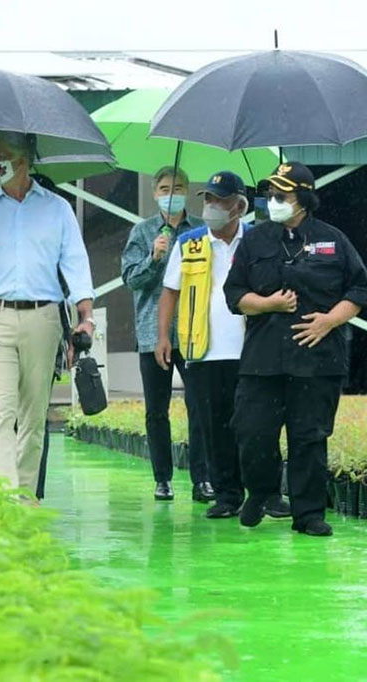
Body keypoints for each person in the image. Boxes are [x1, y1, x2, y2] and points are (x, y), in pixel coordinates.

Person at [0, 130, 95, 497]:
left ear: (24, 159)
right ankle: (5, 501)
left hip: (42, 319)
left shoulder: (57, 208)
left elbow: (76, 264)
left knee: (33, 416)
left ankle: (26, 496)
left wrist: (86, 316)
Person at [224, 162, 367, 536]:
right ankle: (261, 492)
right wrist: (267, 303)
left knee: (309, 438)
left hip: (318, 360)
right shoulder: (255, 240)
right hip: (263, 359)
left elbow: (359, 289)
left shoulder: (333, 239)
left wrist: (329, 321)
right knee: (252, 432)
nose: (273, 200)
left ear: (303, 198)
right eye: (271, 194)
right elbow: (234, 293)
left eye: (282, 195)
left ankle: (308, 514)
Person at [157, 171, 290, 520]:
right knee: (214, 427)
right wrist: (163, 337)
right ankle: (227, 495)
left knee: (259, 426)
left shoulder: (259, 240)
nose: (211, 206)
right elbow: (169, 292)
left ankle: (269, 493)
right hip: (204, 350)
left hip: (253, 349)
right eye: (208, 199)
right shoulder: (188, 243)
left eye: (220, 200)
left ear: (239, 206)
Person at [122, 167, 210, 502]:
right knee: (156, 410)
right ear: (154, 193)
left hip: (193, 331)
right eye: (164, 188)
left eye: (178, 187)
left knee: (198, 406)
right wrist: (154, 257)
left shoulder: (201, 230)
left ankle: (202, 479)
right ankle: (162, 479)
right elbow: (131, 279)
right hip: (152, 333)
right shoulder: (143, 231)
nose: (171, 193)